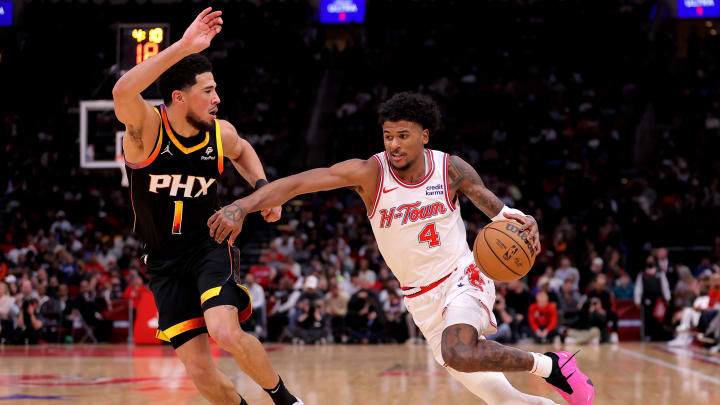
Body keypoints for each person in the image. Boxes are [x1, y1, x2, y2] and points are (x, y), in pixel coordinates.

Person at [209, 92, 594, 404]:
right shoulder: (370, 173)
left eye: (403, 135)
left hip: (464, 276)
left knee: (459, 350)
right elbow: (299, 183)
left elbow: (495, 207)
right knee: (503, 398)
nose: (393, 144)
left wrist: (523, 219)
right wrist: (242, 205)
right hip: (420, 301)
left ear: (425, 135)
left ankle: (551, 365)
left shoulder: (450, 168)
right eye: (388, 135)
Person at [112, 8, 302, 405]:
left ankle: (287, 401)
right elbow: (122, 92)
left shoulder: (221, 133)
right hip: (162, 261)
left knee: (226, 331)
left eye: (216, 89)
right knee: (201, 375)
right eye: (208, 91)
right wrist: (182, 47)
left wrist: (262, 187)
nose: (217, 99)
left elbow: (244, 151)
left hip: (208, 246)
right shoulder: (147, 129)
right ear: (179, 98)